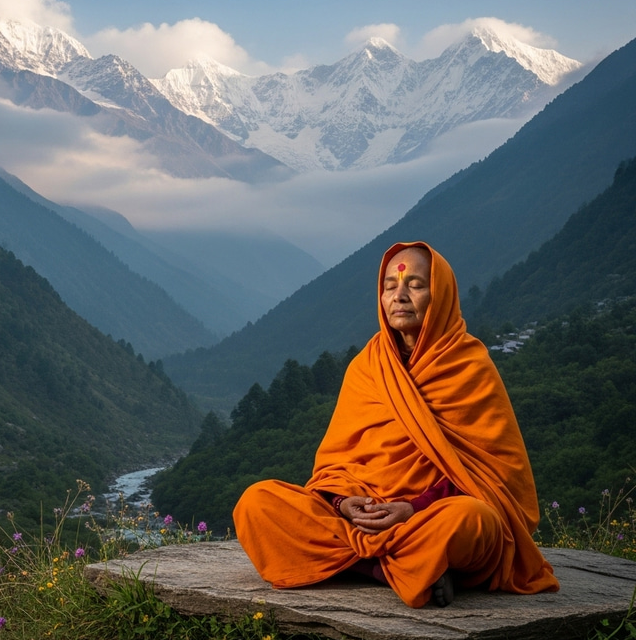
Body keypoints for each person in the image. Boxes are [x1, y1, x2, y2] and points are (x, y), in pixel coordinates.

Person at [233, 241, 559, 608]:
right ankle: (394, 569)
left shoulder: (470, 368)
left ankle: (368, 564)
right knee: (256, 502)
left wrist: (412, 508)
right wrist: (343, 503)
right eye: (390, 286)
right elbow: (335, 465)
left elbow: (495, 479)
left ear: (441, 295)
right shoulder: (367, 366)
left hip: (426, 517)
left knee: (475, 520)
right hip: (361, 517)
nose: (399, 296)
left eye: (415, 285)